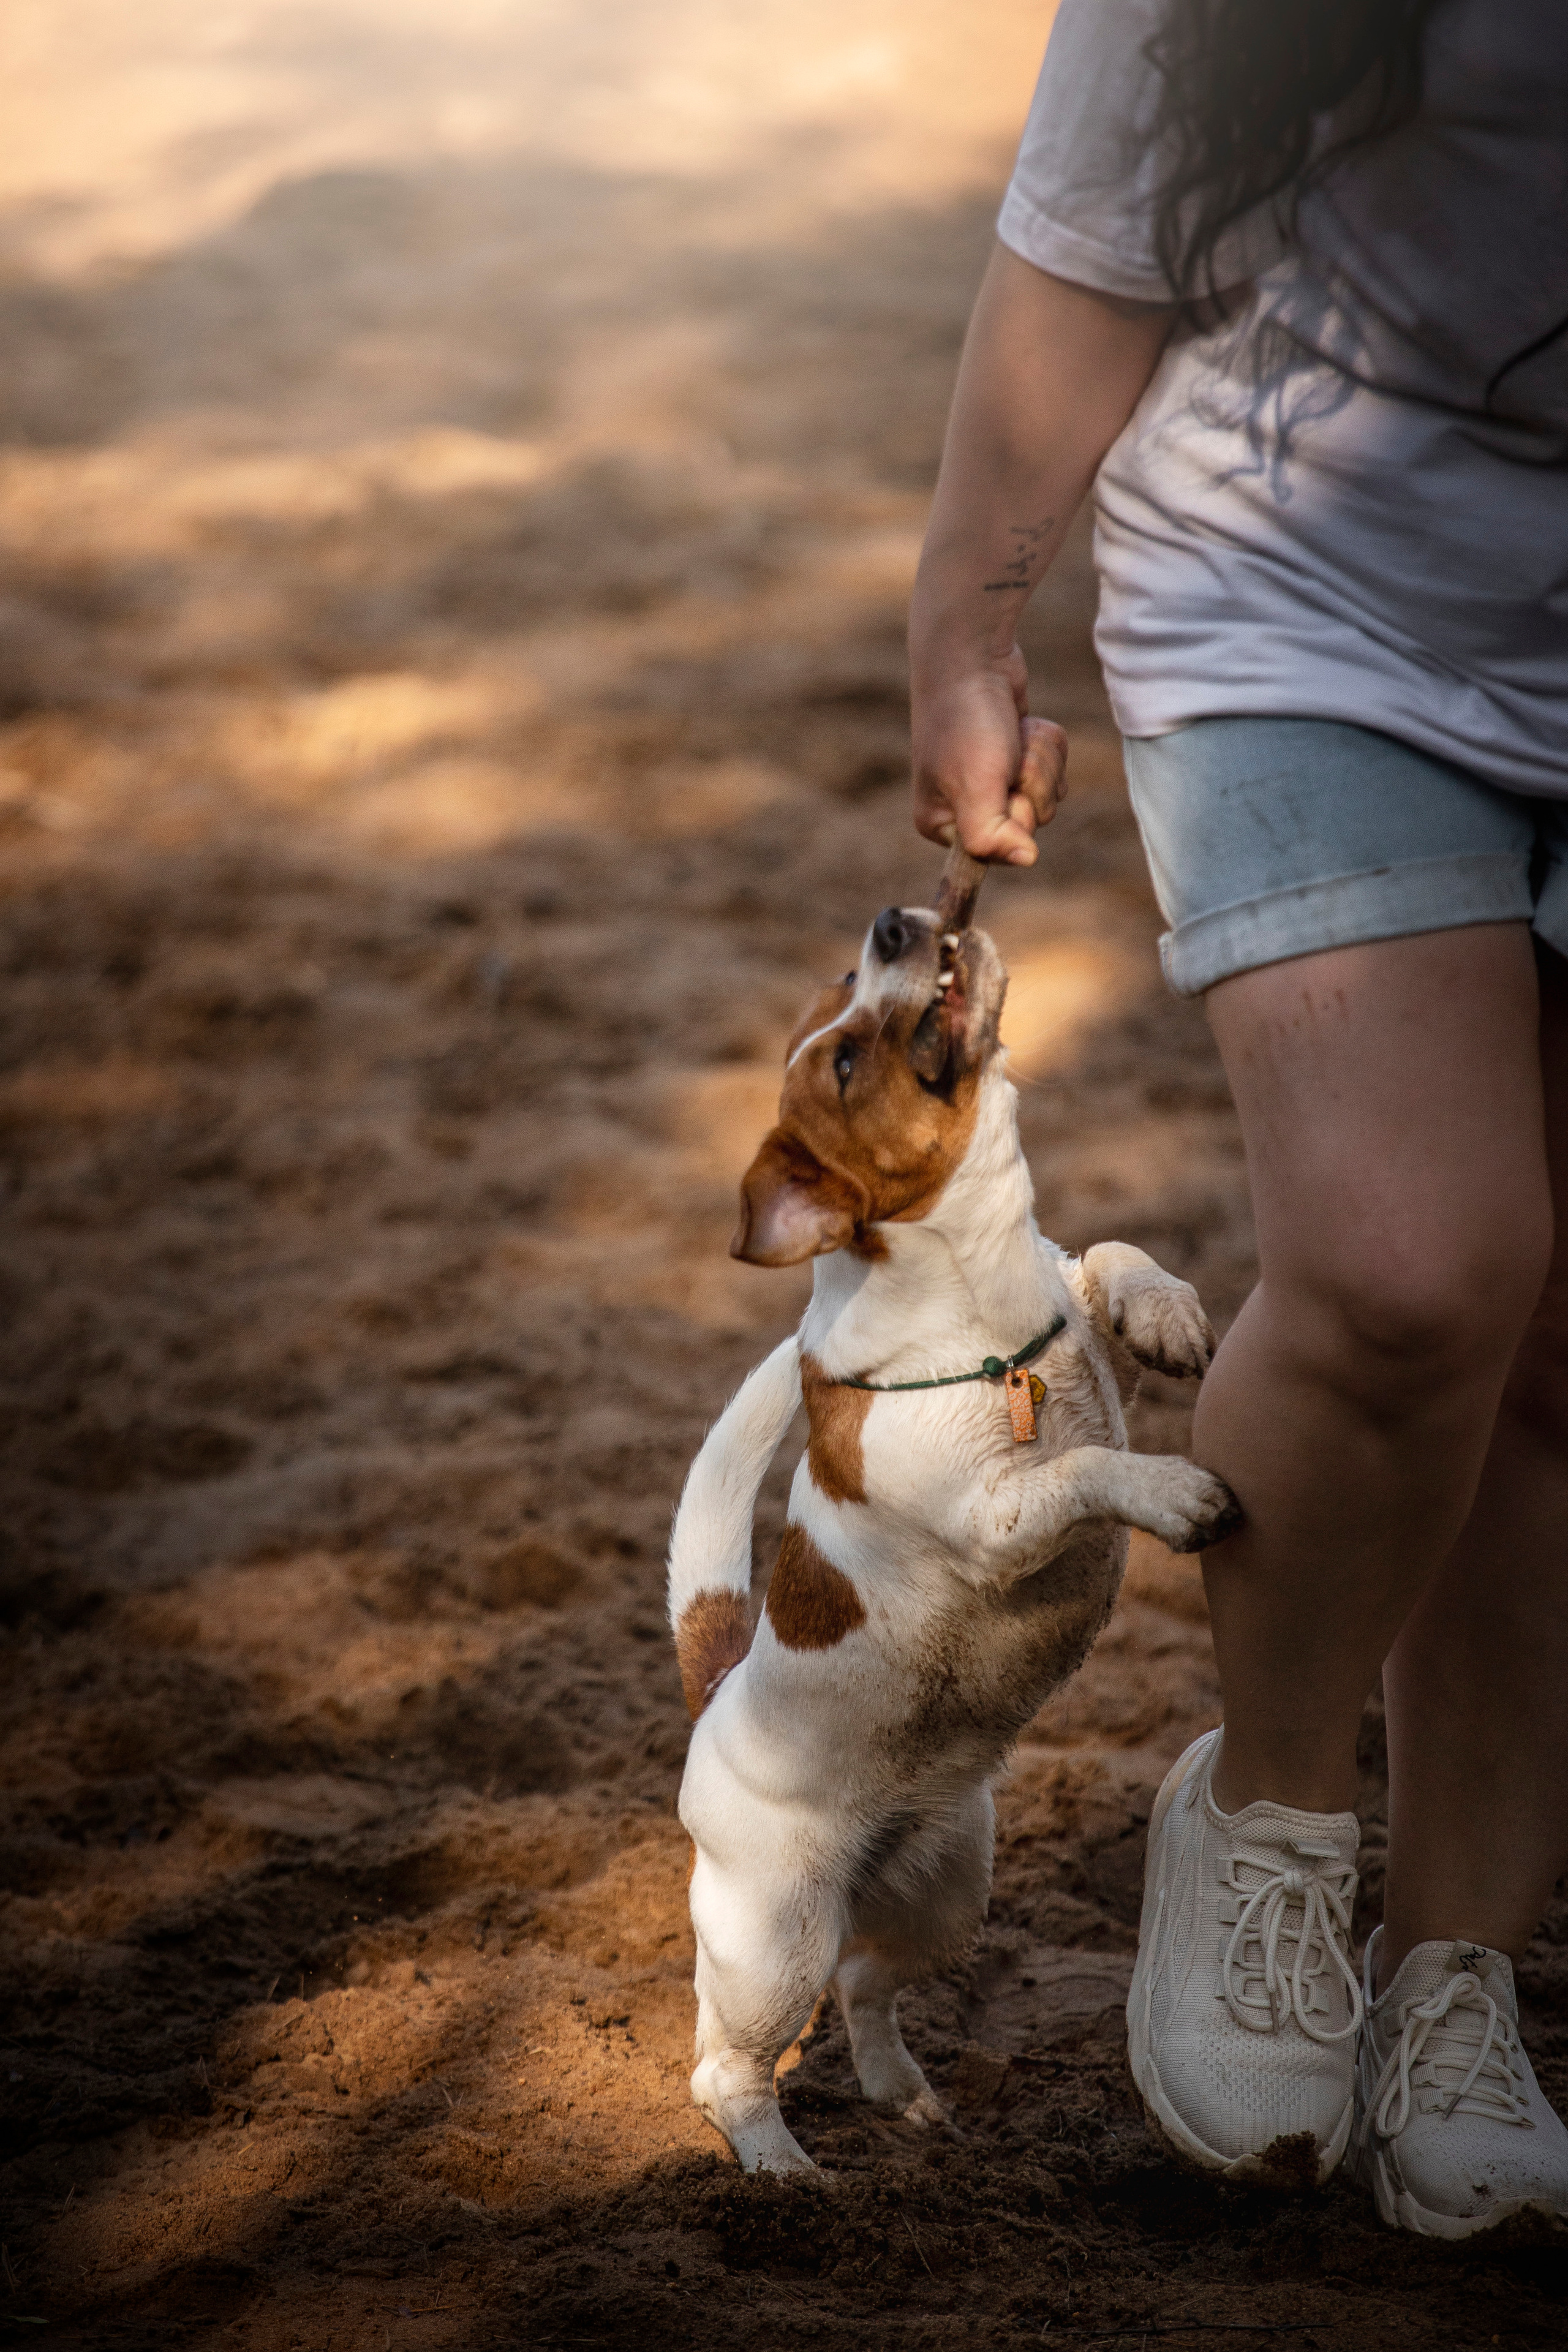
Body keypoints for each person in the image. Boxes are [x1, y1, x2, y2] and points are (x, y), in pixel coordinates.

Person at [908, 0, 1568, 2237]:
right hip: (1315, 579)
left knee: (1556, 1338)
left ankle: (1459, 1967)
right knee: (1411, 1264)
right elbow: (1097, 207)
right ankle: (1272, 1818)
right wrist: (968, 606)